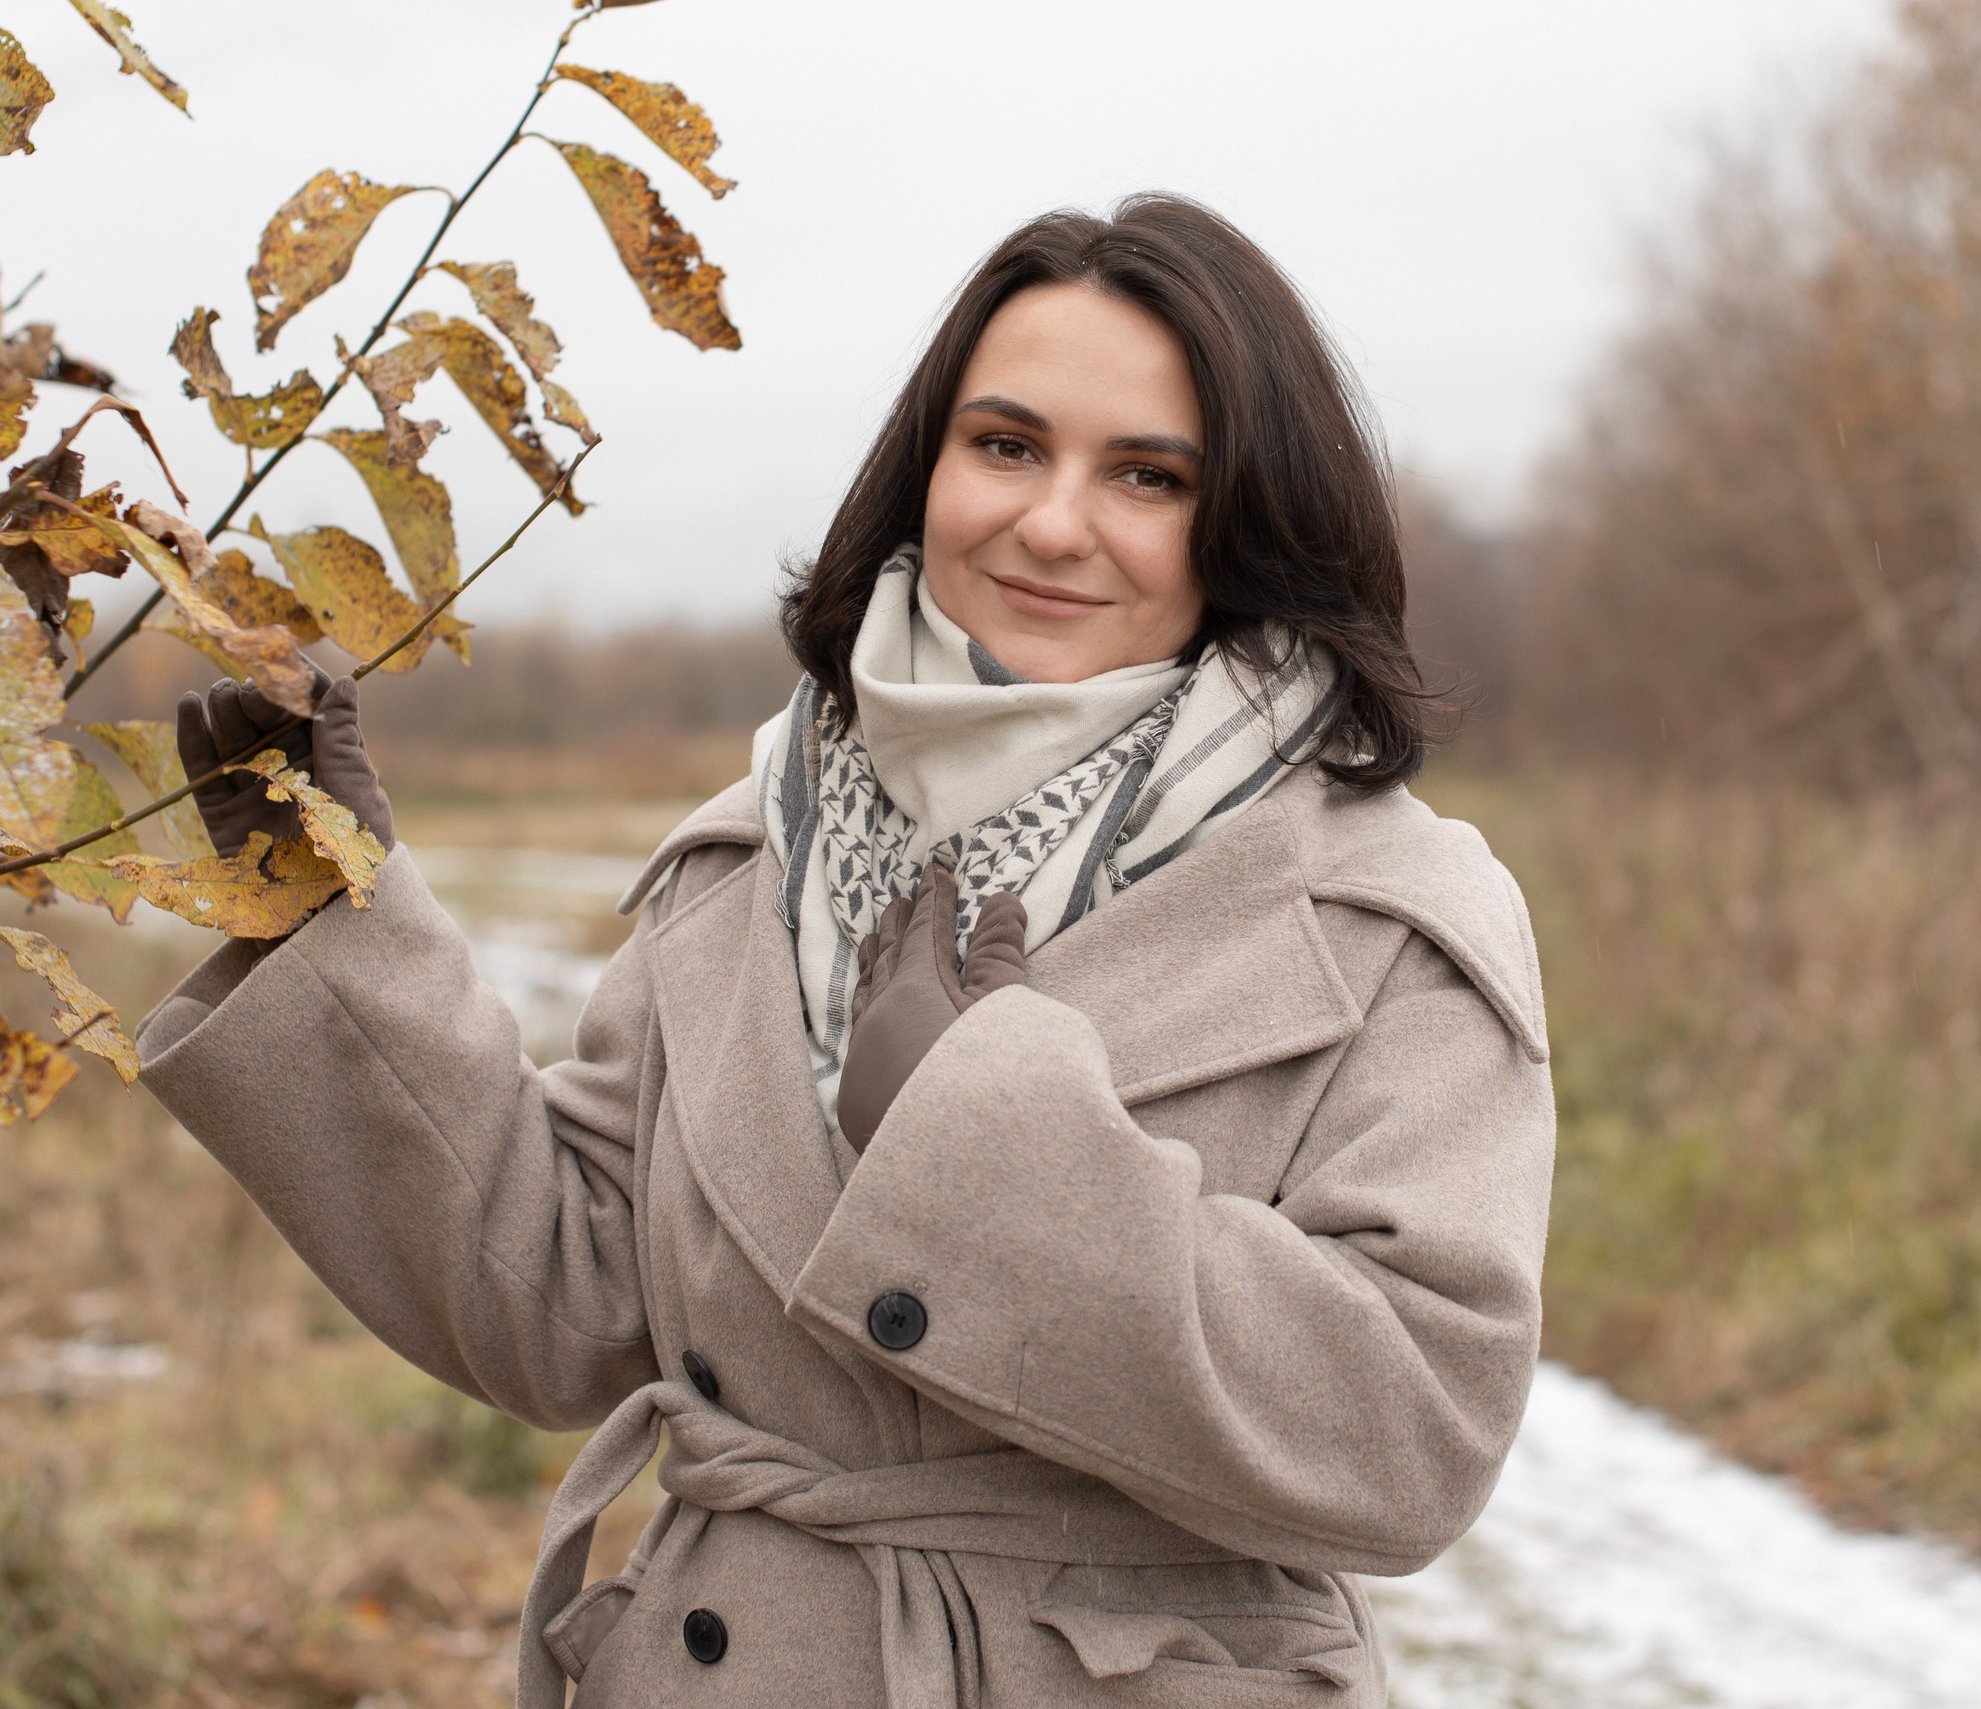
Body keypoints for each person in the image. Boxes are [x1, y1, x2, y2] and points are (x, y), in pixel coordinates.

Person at [139, 193, 1555, 1709]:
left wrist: (989, 1132)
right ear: (927, 466)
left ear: (1250, 522)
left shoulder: (1385, 912)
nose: (1052, 522)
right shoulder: (760, 847)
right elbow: (564, 1296)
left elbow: (1412, 1433)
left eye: (1148, 475)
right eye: (1005, 445)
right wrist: (331, 915)